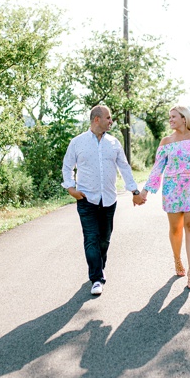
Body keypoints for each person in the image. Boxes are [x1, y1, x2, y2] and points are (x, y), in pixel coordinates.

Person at [61, 104, 144, 296]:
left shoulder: (114, 143)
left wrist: (134, 190)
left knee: (104, 239)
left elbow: (124, 167)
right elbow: (67, 166)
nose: (111, 121)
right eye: (108, 118)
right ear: (96, 119)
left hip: (108, 200)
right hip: (86, 199)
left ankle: (99, 265)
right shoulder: (77, 142)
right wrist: (71, 188)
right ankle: (97, 278)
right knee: (91, 239)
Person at [139, 105, 190, 289]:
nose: (170, 120)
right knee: (175, 229)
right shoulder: (166, 142)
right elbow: (157, 169)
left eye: (173, 117)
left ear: (184, 118)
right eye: (169, 117)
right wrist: (145, 190)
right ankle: (177, 259)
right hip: (172, 190)